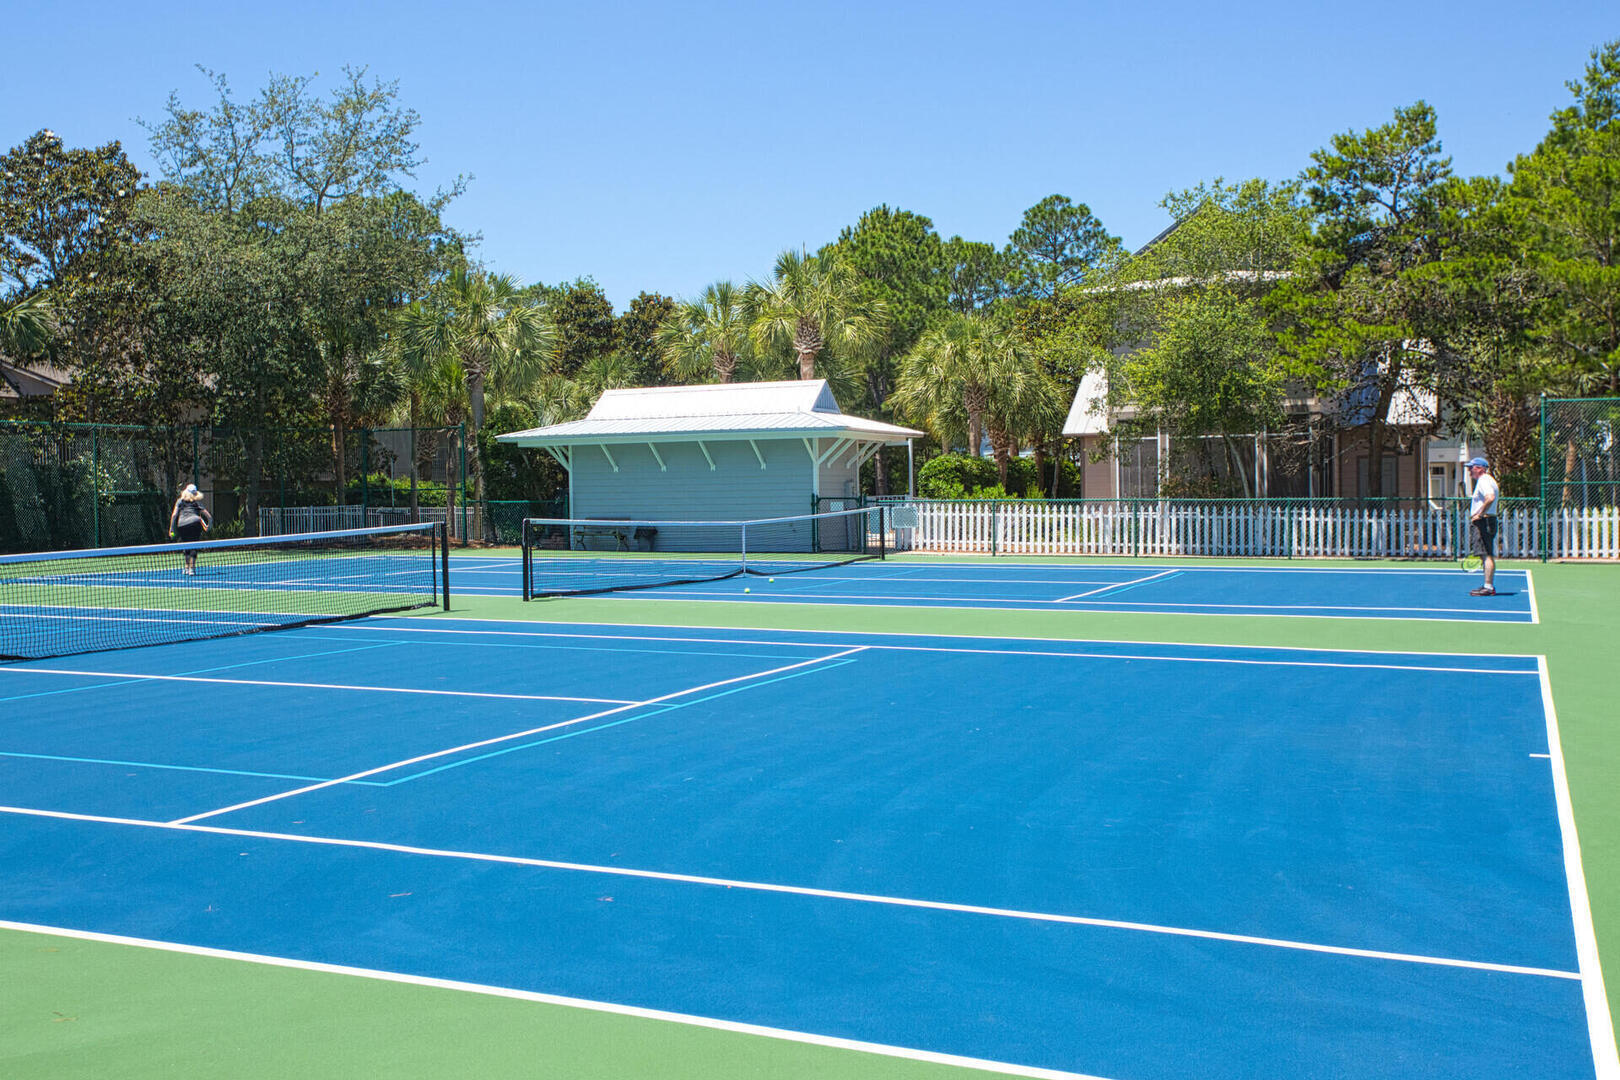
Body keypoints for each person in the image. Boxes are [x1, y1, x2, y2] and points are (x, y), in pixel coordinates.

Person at [1466, 456, 1498, 597]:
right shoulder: (1489, 480)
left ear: (1479, 468)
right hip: (1487, 521)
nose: (1469, 471)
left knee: (1486, 554)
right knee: (1486, 554)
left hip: (1484, 521)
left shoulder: (1484, 480)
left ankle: (1488, 587)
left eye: (1471, 468)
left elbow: (1489, 497)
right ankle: (1487, 585)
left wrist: (1479, 513)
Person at [168, 483, 212, 576]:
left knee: (186, 545)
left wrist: (171, 528)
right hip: (195, 524)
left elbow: (174, 515)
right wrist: (209, 526)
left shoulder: (180, 501)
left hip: (182, 525)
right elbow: (209, 516)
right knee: (194, 546)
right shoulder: (197, 503)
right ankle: (192, 569)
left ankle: (186, 567)